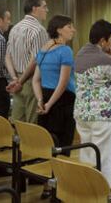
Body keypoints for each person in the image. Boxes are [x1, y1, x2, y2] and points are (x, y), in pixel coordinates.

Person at [74, 19, 111, 188]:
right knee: (104, 156)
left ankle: (87, 189)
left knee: (87, 153)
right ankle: (103, 192)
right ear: (103, 41)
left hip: (82, 113)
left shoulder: (80, 54)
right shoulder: (105, 60)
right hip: (102, 115)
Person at [32, 15, 76, 149]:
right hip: (62, 101)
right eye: (69, 27)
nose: (73, 30)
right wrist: (49, 105)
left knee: (47, 144)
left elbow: (35, 80)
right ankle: (59, 170)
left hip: (45, 96)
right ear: (59, 30)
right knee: (62, 145)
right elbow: (63, 83)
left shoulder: (43, 50)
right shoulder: (65, 50)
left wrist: (41, 101)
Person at [5, 0, 49, 123]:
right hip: (30, 80)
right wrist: (21, 81)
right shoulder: (39, 30)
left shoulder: (15, 28)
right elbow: (36, 59)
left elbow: (7, 56)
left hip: (17, 80)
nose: (47, 10)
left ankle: (20, 144)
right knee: (32, 124)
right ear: (34, 9)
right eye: (44, 7)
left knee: (18, 122)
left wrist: (14, 79)